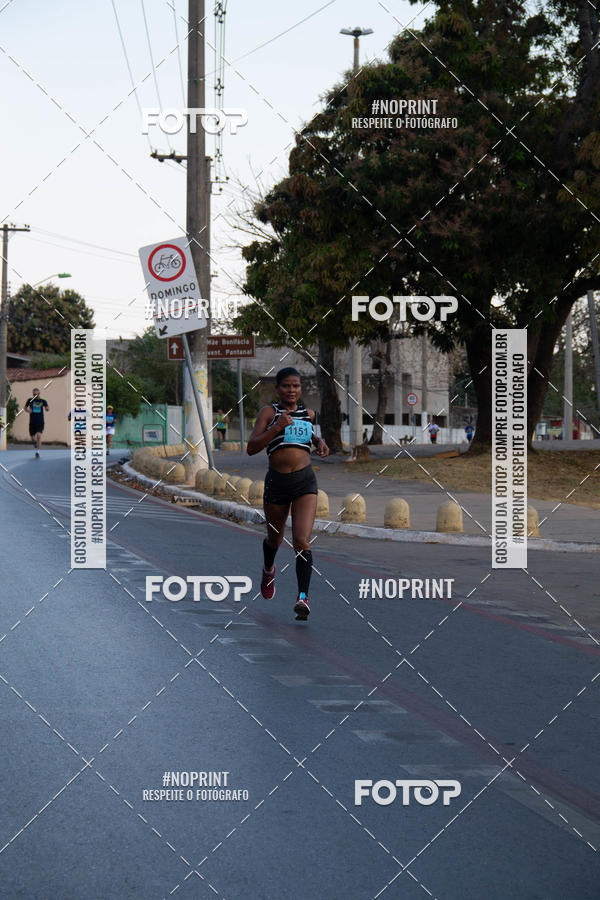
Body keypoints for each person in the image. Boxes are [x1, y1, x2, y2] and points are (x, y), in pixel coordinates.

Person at [247, 367, 329, 621]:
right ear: (277, 388)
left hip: (305, 482)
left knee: (302, 540)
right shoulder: (269, 412)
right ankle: (268, 569)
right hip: (277, 483)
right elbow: (252, 447)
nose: (291, 391)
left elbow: (307, 434)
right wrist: (276, 427)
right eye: (286, 386)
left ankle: (303, 598)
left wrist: (319, 442)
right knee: (275, 538)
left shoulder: (309, 413)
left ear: (301, 389)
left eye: (296, 386)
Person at [25, 388, 49, 458]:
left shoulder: (43, 401)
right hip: (32, 422)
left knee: (39, 436)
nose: (35, 395)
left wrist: (47, 409)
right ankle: (35, 443)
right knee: (32, 437)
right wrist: (28, 410)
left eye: (36, 394)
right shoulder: (30, 400)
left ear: (39, 393)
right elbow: (25, 407)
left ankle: (37, 451)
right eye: (34, 394)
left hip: (40, 421)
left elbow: (47, 408)